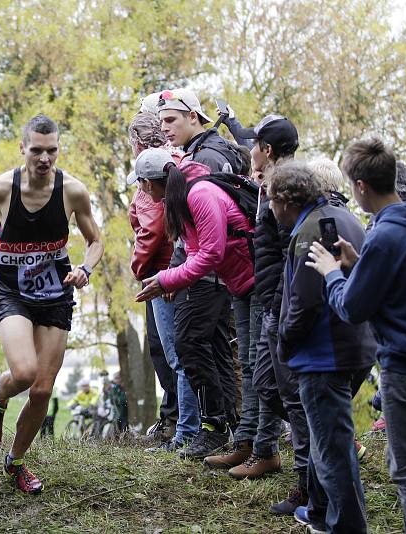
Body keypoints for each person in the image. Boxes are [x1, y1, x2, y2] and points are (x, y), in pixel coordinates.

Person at [0, 114, 103, 494]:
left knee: (43, 391)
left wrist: (84, 268)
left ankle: (15, 461)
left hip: (55, 294)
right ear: (23, 149)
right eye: (36, 150)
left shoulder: (73, 192)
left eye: (51, 151)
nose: (44, 158)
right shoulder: (3, 188)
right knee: (24, 372)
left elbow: (95, 240)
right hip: (13, 292)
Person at [306, 139, 406, 534]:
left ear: (359, 186)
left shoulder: (383, 235)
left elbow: (352, 308)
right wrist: (360, 266)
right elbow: (402, 286)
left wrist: (332, 273)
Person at [269, 162, 375, 533]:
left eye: (270, 200)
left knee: (333, 446)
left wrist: (283, 343)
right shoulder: (341, 217)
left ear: (285, 199)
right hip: (356, 345)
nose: (269, 209)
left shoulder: (311, 231)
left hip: (324, 354)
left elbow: (304, 303)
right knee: (323, 435)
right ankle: (317, 511)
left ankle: (345, 525)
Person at [135, 144, 254, 460]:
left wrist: (167, 279)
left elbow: (212, 253)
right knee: (212, 349)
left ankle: (215, 427)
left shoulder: (198, 194)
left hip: (228, 280)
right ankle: (229, 429)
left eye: (140, 185)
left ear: (147, 184)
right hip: (224, 281)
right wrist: (172, 274)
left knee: (190, 345)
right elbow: (192, 247)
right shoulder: (181, 194)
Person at [207, 116, 299, 488]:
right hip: (250, 284)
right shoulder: (265, 183)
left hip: (268, 291)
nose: (250, 150)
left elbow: (286, 246)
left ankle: (266, 449)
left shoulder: (286, 185)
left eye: (255, 144)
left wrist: (274, 295)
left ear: (268, 151)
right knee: (248, 362)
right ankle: (245, 440)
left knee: (265, 372)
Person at [126, 111, 197, 450]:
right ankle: (190, 426)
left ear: (138, 144)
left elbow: (153, 227)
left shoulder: (151, 176)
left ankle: (187, 431)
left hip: (164, 273)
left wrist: (139, 269)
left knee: (176, 355)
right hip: (182, 268)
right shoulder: (180, 162)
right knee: (185, 353)